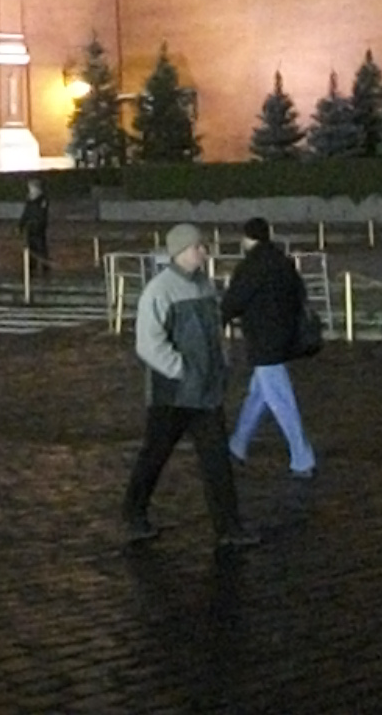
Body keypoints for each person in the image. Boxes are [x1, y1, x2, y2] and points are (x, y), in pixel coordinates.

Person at [123, 223, 258, 550]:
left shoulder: (204, 285)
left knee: (217, 461)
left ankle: (229, 528)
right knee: (155, 455)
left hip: (205, 390)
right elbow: (148, 343)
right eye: (198, 246)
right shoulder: (159, 290)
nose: (204, 251)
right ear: (181, 251)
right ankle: (133, 512)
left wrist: (221, 361)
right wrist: (181, 369)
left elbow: (215, 331)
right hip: (172, 394)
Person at [220, 216, 317, 477]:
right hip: (284, 338)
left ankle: (302, 458)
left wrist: (218, 321)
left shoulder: (250, 266)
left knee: (281, 400)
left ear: (247, 238)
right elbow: (299, 294)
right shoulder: (283, 262)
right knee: (260, 394)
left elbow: (233, 301)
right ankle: (238, 444)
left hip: (262, 341)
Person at [20, 178, 49, 273]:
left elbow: (42, 214)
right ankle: (31, 268)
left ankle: (45, 268)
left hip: (38, 229)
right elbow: (26, 213)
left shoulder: (42, 200)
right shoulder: (29, 200)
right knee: (30, 248)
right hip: (30, 228)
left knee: (40, 248)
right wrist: (21, 224)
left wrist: (38, 224)